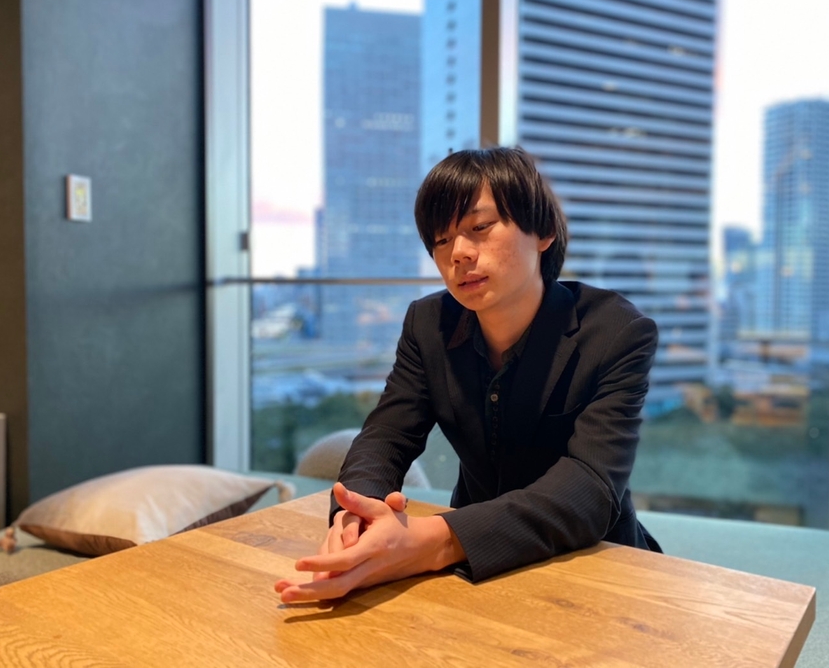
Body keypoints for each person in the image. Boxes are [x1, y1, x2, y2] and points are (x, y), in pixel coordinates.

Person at [275, 146, 661, 603]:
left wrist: (436, 539)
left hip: (592, 565)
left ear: (543, 232)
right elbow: (386, 436)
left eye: (479, 228)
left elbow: (591, 488)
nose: (458, 252)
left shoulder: (616, 331)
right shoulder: (428, 325)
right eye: (441, 240)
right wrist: (354, 518)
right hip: (468, 571)